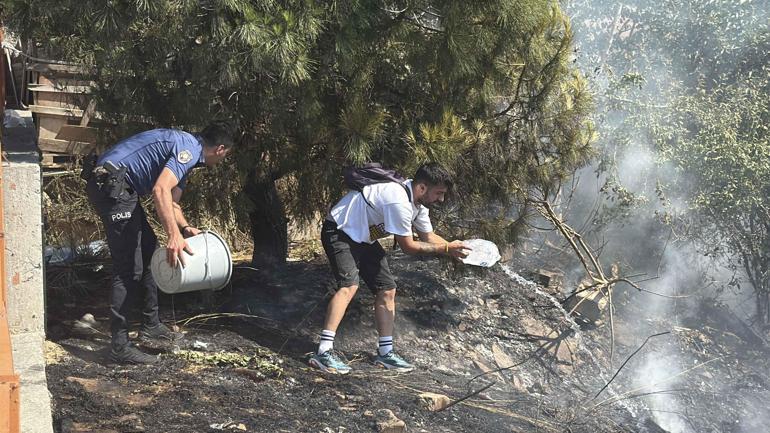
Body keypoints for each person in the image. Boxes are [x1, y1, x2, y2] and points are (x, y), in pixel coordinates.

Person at [84, 122, 237, 364]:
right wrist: (173, 235)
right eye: (225, 156)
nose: (222, 160)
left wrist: (185, 229)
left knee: (148, 251)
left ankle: (151, 325)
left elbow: (173, 202)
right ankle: (119, 346)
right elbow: (160, 190)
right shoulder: (188, 150)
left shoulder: (190, 153)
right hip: (111, 184)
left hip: (121, 187)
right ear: (220, 149)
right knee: (128, 268)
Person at [310, 162, 470, 374]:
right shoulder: (398, 200)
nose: (440, 199)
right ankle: (323, 352)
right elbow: (408, 246)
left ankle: (385, 354)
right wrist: (447, 248)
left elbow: (429, 237)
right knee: (349, 285)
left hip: (363, 238)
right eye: (438, 193)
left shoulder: (418, 205)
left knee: (387, 288)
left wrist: (458, 249)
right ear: (422, 187)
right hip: (339, 231)